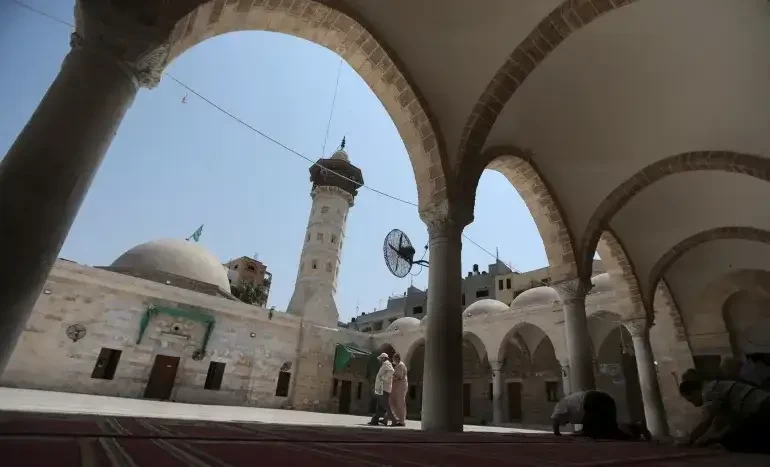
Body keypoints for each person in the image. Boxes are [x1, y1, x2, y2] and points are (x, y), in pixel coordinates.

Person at [678, 368, 770, 453]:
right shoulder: (714, 386)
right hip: (762, 405)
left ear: (694, 392)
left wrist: (691, 439)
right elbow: (720, 421)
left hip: (762, 407)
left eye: (691, 400)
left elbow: (706, 421)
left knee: (734, 440)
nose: (693, 404)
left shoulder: (708, 393)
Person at [551, 390, 629, 439]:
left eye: (564, 423)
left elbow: (555, 419)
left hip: (592, 399)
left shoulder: (560, 405)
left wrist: (557, 433)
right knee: (610, 427)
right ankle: (633, 430)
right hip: (606, 398)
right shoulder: (570, 405)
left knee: (592, 431)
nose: (567, 423)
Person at [369, 352, 395, 426]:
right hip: (381, 388)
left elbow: (391, 371)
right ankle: (375, 420)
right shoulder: (384, 364)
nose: (380, 359)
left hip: (384, 389)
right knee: (380, 406)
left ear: (384, 358)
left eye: (381, 358)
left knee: (385, 405)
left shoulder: (387, 363)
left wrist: (383, 378)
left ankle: (394, 420)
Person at [389, 353, 408, 427]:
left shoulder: (400, 365)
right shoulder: (398, 366)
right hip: (397, 387)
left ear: (396, 358)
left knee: (400, 403)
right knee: (394, 402)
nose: (392, 360)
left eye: (393, 358)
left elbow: (399, 377)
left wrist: (390, 378)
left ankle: (401, 421)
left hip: (400, 387)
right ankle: (398, 419)